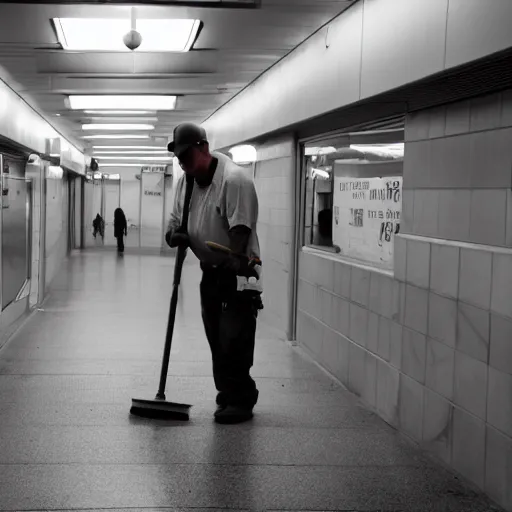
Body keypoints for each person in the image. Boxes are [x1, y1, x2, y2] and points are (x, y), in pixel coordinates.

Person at [165, 122, 262, 424]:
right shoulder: (187, 181)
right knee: (216, 336)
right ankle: (227, 394)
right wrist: (174, 236)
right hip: (210, 272)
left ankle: (242, 399)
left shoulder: (234, 181)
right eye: (178, 158)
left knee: (235, 335)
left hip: (239, 272)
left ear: (204, 148)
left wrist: (230, 262)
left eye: (186, 155)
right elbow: (174, 222)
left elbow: (240, 234)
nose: (182, 162)